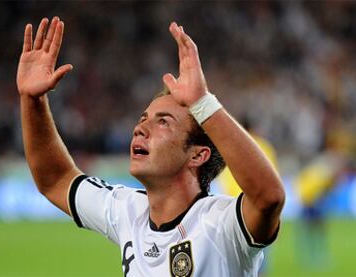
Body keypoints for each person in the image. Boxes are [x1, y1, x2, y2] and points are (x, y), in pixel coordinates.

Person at [16, 16, 285, 276]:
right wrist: (32, 100)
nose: (140, 128)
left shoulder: (222, 225)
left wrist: (203, 103)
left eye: (163, 122)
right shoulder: (127, 210)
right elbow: (56, 180)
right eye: (143, 119)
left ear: (197, 155)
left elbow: (268, 197)